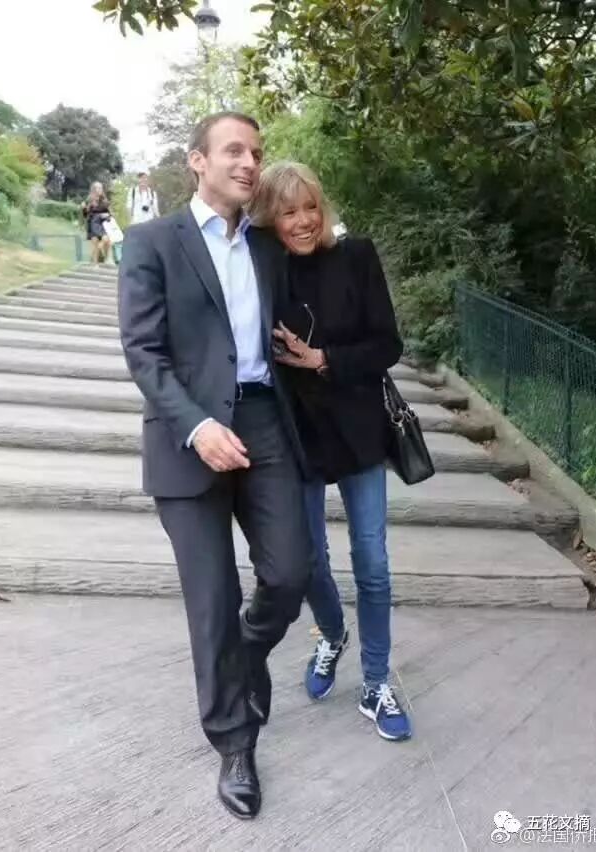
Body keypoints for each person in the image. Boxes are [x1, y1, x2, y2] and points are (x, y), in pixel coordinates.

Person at [118, 114, 315, 820]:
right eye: (234, 150)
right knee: (211, 598)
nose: (249, 163)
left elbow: (319, 261)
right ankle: (234, 742)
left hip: (263, 423)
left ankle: (246, 654)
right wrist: (197, 426)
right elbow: (143, 351)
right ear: (197, 160)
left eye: (256, 152)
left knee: (290, 574)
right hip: (186, 434)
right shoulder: (151, 242)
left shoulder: (265, 246)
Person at [249, 161, 412, 742]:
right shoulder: (262, 268)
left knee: (373, 562)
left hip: (359, 430)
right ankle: (332, 633)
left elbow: (388, 344)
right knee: (308, 560)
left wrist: (322, 359)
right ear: (269, 218)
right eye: (288, 211)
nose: (302, 221)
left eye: (310, 207)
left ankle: (375, 682)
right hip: (297, 435)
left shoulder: (356, 256)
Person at [82, 182, 112, 264]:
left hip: (103, 224)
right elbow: (85, 215)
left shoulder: (105, 201)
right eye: (97, 188)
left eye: (100, 188)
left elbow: (110, 215)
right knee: (95, 242)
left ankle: (105, 257)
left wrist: (107, 215)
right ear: (93, 189)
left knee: (106, 239)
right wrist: (84, 208)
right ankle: (95, 264)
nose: (99, 190)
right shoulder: (89, 201)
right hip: (93, 224)